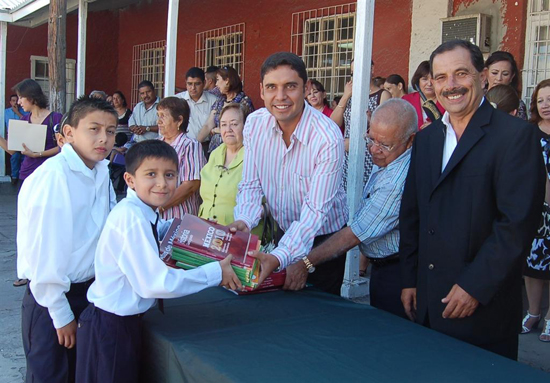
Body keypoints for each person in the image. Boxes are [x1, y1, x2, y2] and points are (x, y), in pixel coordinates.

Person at [399, 40, 545, 360]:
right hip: (426, 305)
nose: (450, 86)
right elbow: (412, 214)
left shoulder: (516, 137)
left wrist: (475, 287)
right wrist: (409, 278)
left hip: (482, 310)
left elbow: (517, 225)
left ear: (482, 76)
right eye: (440, 77)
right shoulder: (425, 140)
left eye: (460, 74)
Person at [75, 140, 241, 383]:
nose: (162, 183)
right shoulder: (131, 218)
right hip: (110, 328)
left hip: (121, 323)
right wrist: (215, 272)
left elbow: (164, 230)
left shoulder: (144, 211)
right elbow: (154, 283)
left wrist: (214, 236)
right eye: (151, 174)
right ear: (130, 180)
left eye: (170, 175)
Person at [283, 99, 416, 319]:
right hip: (383, 267)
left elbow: (354, 234)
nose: (374, 149)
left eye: (384, 144)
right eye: (370, 139)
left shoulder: (397, 182)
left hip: (395, 271)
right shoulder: (391, 156)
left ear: (409, 141)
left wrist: (305, 263)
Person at [17, 96, 118, 383]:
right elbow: (44, 254)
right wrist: (60, 314)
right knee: (52, 375)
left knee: (79, 374)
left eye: (110, 131)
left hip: (88, 294)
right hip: (53, 298)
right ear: (69, 133)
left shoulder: (99, 171)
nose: (104, 138)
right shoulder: (53, 178)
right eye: (94, 129)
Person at [231, 52, 348, 296]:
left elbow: (314, 213)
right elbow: (251, 184)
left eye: (290, 86)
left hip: (323, 239)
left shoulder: (327, 137)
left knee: (319, 317)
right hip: (283, 230)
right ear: (261, 91)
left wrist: (279, 256)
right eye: (272, 87)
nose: (280, 96)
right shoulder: (254, 124)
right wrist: (244, 220)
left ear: (305, 88)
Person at [522, 79, 550, 343]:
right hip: (536, 209)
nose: (545, 105)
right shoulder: (529, 132)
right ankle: (533, 312)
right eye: (541, 100)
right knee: (533, 263)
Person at [0, 79, 62, 185]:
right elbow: (12, 151)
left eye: (20, 97)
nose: (19, 102)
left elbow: (63, 147)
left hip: (49, 175)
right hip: (27, 175)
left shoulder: (55, 118)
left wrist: (37, 155)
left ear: (31, 97)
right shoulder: (23, 120)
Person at [199, 103, 252, 227]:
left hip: (238, 235)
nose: (228, 129)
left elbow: (266, 204)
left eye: (234, 124)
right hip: (206, 232)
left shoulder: (253, 156)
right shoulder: (215, 153)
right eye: (223, 125)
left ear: (246, 126)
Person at [156, 96, 205, 219]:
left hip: (180, 217)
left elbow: (190, 185)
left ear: (179, 120)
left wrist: (160, 207)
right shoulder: (156, 145)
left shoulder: (190, 145)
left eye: (163, 116)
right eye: (158, 115)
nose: (158, 121)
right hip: (156, 217)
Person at [197, 66, 254, 154]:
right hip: (216, 151)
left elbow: (245, 130)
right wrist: (195, 144)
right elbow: (208, 125)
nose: (216, 84)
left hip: (235, 151)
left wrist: (217, 130)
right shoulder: (220, 101)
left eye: (218, 80)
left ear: (227, 81)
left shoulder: (244, 102)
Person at [175, 67, 217, 145]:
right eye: (190, 84)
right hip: (182, 145)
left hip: (205, 146)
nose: (193, 88)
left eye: (197, 84)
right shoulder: (177, 100)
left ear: (204, 83)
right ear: (186, 83)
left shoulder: (214, 100)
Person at [484, 51, 527, 120]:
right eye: (494, 73)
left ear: (512, 77)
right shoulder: (476, 98)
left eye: (505, 74)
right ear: (486, 73)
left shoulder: (518, 104)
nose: (499, 78)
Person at [402, 61, 446, 129]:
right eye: (424, 79)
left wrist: (436, 127)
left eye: (433, 79)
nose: (429, 84)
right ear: (417, 81)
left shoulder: (447, 101)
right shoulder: (407, 100)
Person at [4, 94, 29, 184]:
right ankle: (14, 176)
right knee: (15, 156)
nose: (15, 103)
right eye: (13, 101)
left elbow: (27, 121)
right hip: (11, 138)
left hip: (23, 137)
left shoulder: (25, 111)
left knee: (23, 156)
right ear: (10, 102)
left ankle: (22, 176)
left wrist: (17, 112)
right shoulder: (6, 112)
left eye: (16, 101)